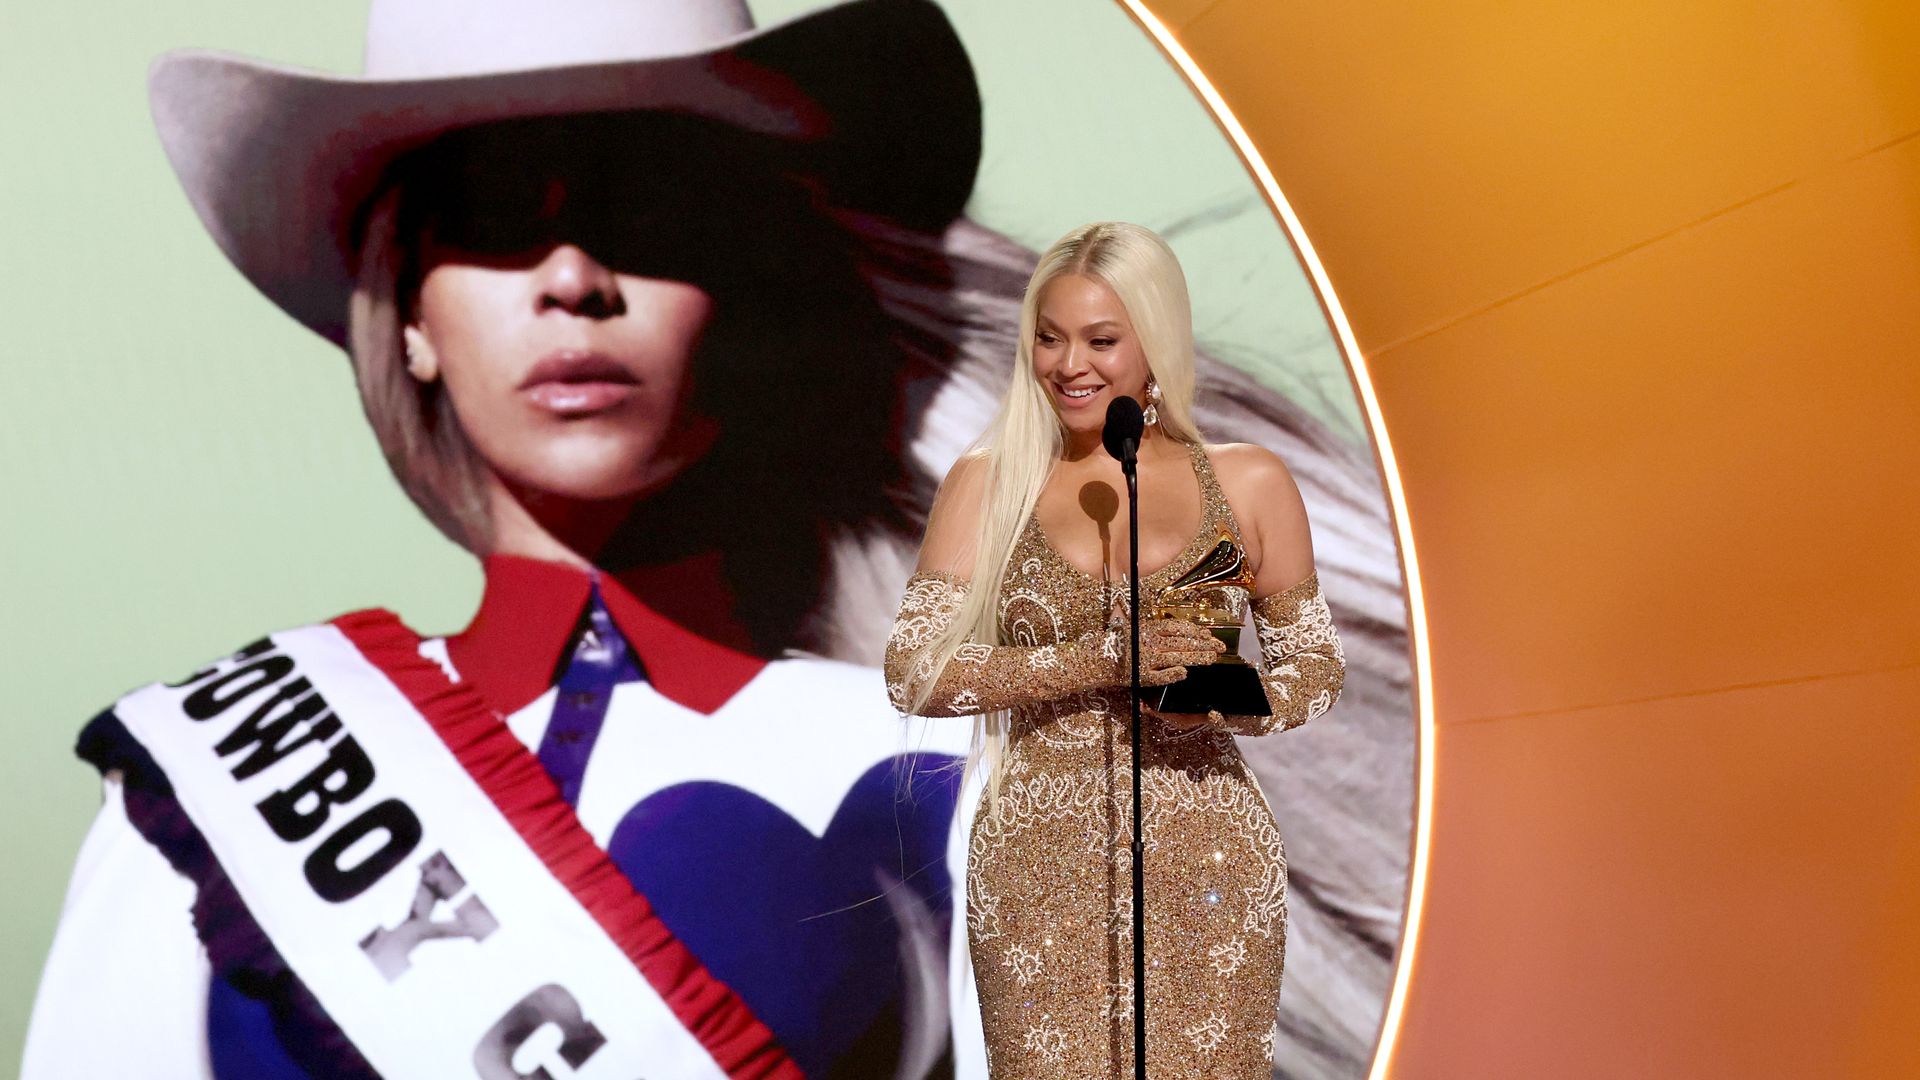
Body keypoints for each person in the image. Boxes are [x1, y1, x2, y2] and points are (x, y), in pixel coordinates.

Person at [23, 0, 985, 1077]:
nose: (573, 279)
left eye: (653, 209)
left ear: (744, 293)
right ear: (411, 315)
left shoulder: (952, 769)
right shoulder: (203, 792)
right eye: (496, 212)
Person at [883, 221, 1348, 1079]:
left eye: (1101, 340)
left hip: (1204, 857)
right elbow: (915, 674)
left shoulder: (1247, 481)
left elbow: (1314, 668)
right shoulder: (988, 483)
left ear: (1155, 343)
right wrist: (1100, 659)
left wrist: (1226, 694)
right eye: (1050, 338)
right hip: (1036, 865)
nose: (1070, 365)